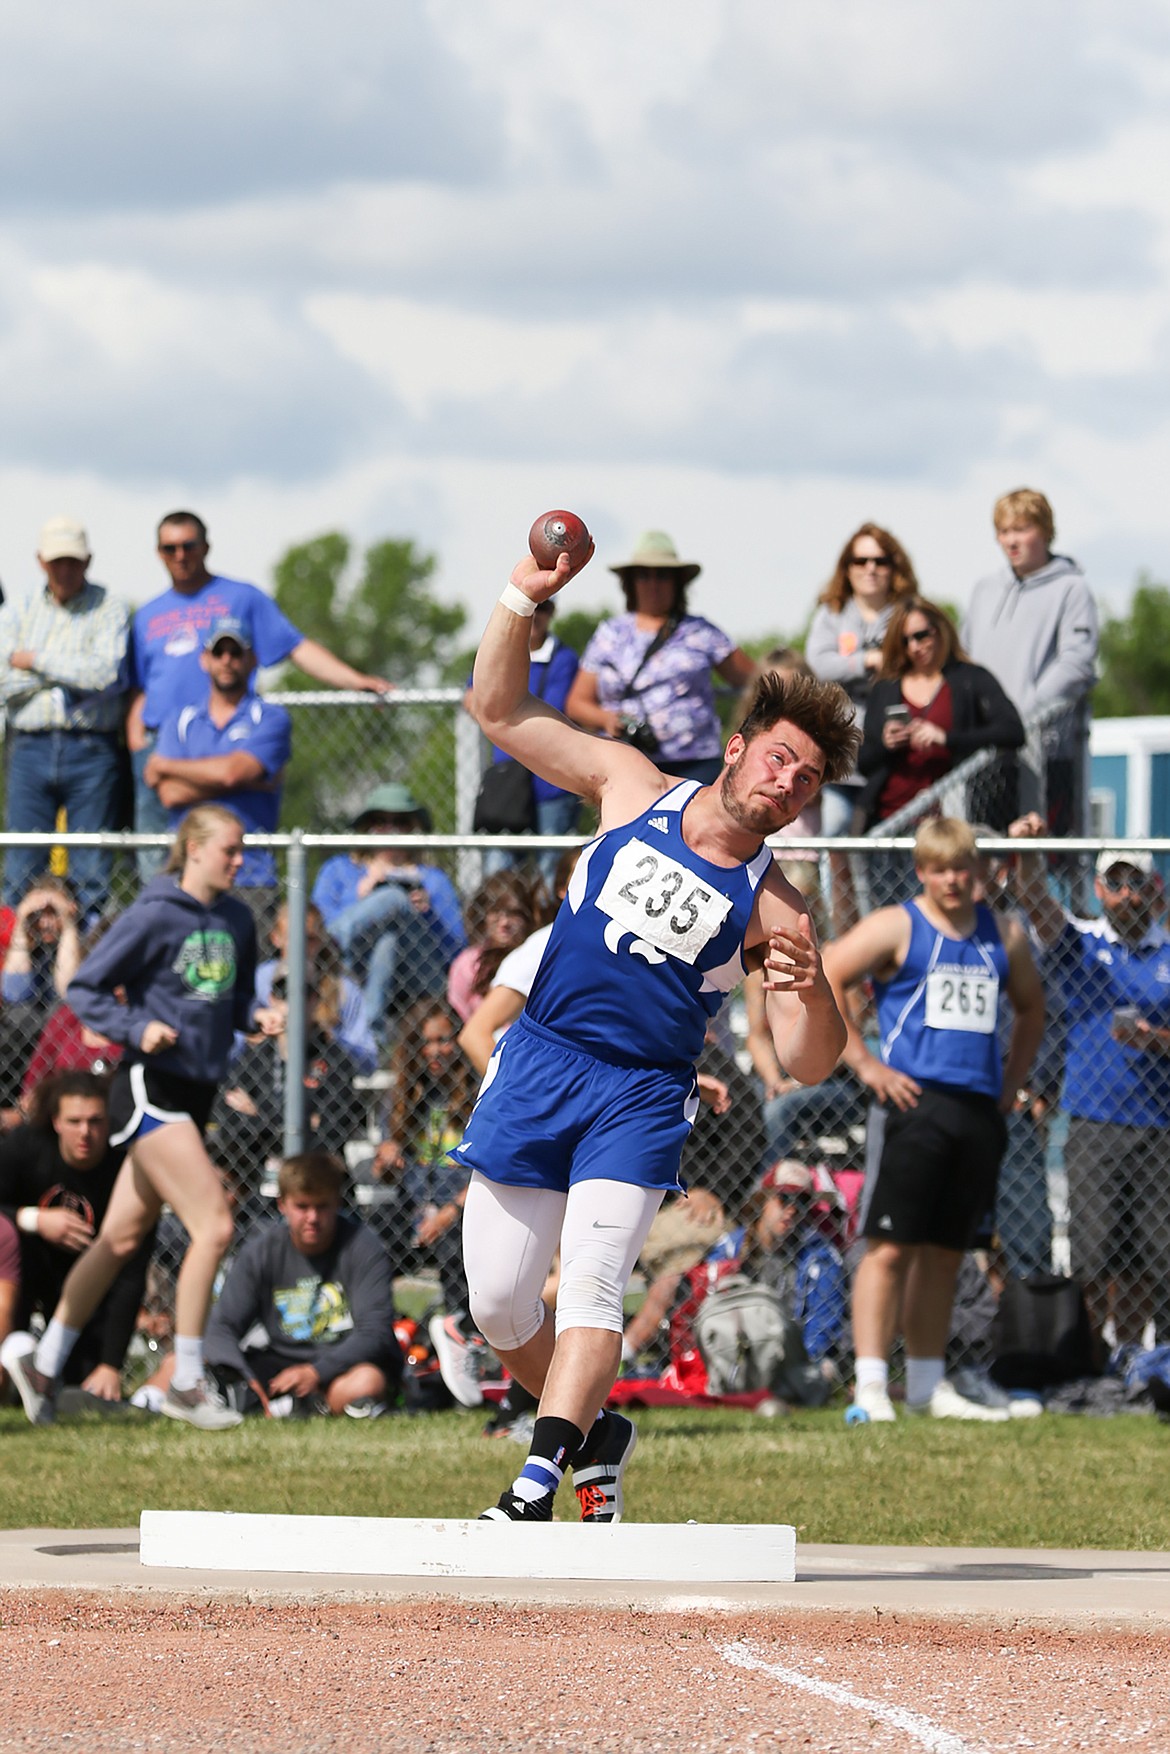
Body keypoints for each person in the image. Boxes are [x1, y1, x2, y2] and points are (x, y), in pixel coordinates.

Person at [456, 534, 859, 1524]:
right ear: (736, 747)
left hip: (639, 1091)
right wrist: (524, 593)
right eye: (779, 758)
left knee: (594, 1285)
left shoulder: (779, 906)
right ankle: (599, 1433)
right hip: (540, 1059)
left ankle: (534, 1481)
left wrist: (807, 987)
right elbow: (496, 709)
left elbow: (809, 1061)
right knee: (499, 1302)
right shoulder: (631, 784)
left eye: (806, 780)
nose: (787, 783)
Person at [6, 804, 283, 1430]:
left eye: (243, 851)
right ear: (192, 850)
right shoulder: (155, 913)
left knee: (121, 1238)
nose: (240, 862)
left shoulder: (239, 918)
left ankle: (45, 1365)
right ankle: (186, 1379)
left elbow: (231, 999)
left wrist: (254, 1018)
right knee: (212, 1226)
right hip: (147, 1089)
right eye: (229, 851)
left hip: (198, 1092)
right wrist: (139, 1026)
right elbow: (86, 989)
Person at [822, 817, 1045, 1422]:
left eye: (962, 869)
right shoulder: (899, 924)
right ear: (922, 870)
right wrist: (866, 1065)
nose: (952, 880)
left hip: (977, 1110)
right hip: (911, 1105)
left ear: (977, 872)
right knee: (889, 1248)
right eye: (940, 869)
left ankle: (926, 1385)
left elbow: (1032, 1009)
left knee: (947, 1254)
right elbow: (828, 973)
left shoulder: (1004, 934)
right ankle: (870, 1385)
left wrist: (1011, 1082)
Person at [127, 509, 389, 876]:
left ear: (206, 546)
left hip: (227, 739)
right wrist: (138, 743)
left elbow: (295, 645)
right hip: (162, 743)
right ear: (158, 552)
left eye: (188, 545)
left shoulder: (241, 597)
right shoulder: (147, 615)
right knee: (158, 862)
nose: (180, 555)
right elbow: (138, 689)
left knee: (230, 850)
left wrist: (354, 680)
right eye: (170, 548)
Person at [1008, 818, 1170, 1346]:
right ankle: (1091, 1356)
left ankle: (1129, 1356)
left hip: (1160, 1127)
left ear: (1153, 888)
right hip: (1094, 1122)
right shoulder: (1081, 946)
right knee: (1093, 1253)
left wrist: (1159, 1040)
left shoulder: (1167, 952)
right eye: (1116, 882)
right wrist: (1028, 852)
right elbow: (1035, 900)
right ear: (1099, 889)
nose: (1126, 894)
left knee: (1151, 1257)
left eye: (1136, 882)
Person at [0, 517, 130, 924]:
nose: (65, 570)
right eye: (57, 562)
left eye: (73, 561)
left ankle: (87, 969)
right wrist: (72, 672)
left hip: (92, 749)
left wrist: (35, 660)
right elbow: (3, 677)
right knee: (20, 866)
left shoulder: (109, 606)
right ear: (41, 561)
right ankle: (14, 967)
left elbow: (105, 673)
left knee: (90, 871)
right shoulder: (17, 608)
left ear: (88, 560)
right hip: (29, 746)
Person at [204, 1150, 399, 1417]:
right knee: (182, 1364)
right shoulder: (261, 1251)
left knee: (366, 1382)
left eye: (322, 1206)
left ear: (338, 1202)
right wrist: (243, 1379)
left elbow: (374, 1331)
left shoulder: (363, 1245)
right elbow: (222, 1327)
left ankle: (301, 1405)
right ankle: (148, 1403)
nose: (312, 1218)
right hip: (279, 1362)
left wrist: (317, 1372)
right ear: (282, 1204)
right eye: (302, 1207)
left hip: (342, 1363)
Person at [0, 1072, 151, 1404]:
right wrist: (36, 1219)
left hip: (90, 1289)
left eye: (96, 1121)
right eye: (74, 1121)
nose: (85, 1132)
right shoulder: (25, 1147)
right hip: (24, 1272)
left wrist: (110, 1365)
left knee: (78, 1390)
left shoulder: (125, 1165)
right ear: (56, 1122)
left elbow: (132, 1271)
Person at [565, 530, 756, 785]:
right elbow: (577, 703)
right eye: (644, 575)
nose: (653, 583)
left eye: (663, 575)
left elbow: (756, 680)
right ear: (630, 582)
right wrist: (607, 720)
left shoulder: (701, 632)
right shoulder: (609, 634)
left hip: (694, 764)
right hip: (625, 760)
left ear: (677, 583)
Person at [963, 488, 1099, 832]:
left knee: (1041, 855)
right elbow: (964, 658)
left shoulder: (1072, 588)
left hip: (1047, 752)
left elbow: (1077, 663)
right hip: (985, 752)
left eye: (1022, 529)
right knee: (983, 854)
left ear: (1045, 531)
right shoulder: (984, 590)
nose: (1012, 540)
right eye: (1005, 531)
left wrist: (1022, 715)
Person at [145, 617, 292, 920]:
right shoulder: (181, 720)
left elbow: (233, 773)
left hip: (250, 874)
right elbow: (170, 794)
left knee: (247, 966)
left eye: (236, 652)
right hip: (188, 872)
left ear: (252, 660)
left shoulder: (270, 717)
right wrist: (246, 778)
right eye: (218, 652)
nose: (227, 660)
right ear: (204, 659)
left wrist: (167, 765)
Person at [311, 783, 466, 1043]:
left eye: (401, 823)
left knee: (395, 899)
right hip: (352, 968)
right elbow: (316, 922)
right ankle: (373, 1034)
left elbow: (456, 950)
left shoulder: (433, 878)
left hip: (419, 975)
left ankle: (333, 942)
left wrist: (426, 915)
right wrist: (360, 896)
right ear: (367, 827)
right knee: (388, 939)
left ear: (413, 828)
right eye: (381, 822)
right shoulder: (338, 870)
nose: (392, 830)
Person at [805, 523, 919, 839]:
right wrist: (869, 661)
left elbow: (918, 665)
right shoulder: (832, 613)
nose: (871, 569)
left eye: (880, 561)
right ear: (847, 567)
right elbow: (820, 663)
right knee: (835, 833)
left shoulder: (907, 613)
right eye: (861, 561)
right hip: (842, 755)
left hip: (893, 754)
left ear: (894, 567)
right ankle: (834, 893)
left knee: (895, 840)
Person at [465, 597, 581, 881]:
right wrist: (502, 713)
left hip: (552, 783)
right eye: (530, 605)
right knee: (499, 874)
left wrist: (500, 715)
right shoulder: (499, 650)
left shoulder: (565, 659)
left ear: (552, 612)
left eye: (542, 607)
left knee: (551, 874)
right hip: (508, 784)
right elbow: (473, 696)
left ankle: (547, 927)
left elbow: (554, 710)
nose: (534, 614)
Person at [253, 900, 376, 1073]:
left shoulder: (343, 987)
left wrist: (329, 1039)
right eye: (293, 939)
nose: (301, 948)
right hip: (269, 1077)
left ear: (320, 941)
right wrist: (255, 1034)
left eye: (310, 939)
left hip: (324, 1084)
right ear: (276, 939)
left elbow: (369, 1062)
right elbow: (233, 1047)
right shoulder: (261, 979)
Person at [446, 871, 543, 1025]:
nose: (504, 923)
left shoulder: (538, 959)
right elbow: (459, 1018)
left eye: (514, 913)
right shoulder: (467, 964)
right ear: (483, 915)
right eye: (495, 912)